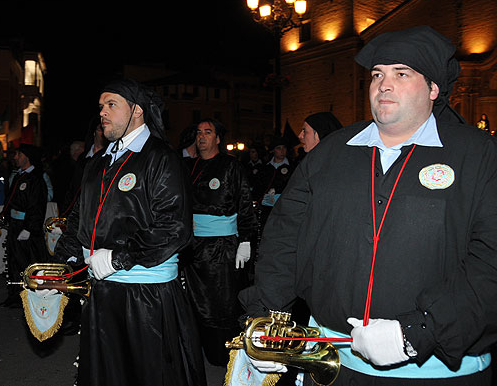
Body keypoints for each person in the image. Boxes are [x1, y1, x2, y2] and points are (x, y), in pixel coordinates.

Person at [239, 25, 497, 385]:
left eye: (401, 74)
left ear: (434, 89)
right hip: (331, 366)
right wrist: (268, 318)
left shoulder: (479, 155)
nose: (383, 85)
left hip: (433, 371)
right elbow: (286, 239)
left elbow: (489, 262)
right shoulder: (330, 152)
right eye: (377, 74)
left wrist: (417, 331)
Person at [52, 78, 206, 386]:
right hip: (102, 291)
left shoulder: (161, 157)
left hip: (146, 296)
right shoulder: (98, 162)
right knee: (107, 371)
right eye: (101, 107)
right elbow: (81, 218)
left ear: (137, 110)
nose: (103, 113)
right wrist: (61, 268)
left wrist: (119, 258)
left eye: (111, 105)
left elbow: (175, 227)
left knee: (148, 373)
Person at [183, 118, 257, 367]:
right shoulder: (190, 167)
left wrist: (245, 240)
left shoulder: (231, 167)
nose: (201, 136)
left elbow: (244, 203)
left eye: (207, 132)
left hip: (222, 246)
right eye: (198, 132)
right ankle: (200, 349)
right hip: (194, 247)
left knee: (222, 301)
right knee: (195, 300)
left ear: (217, 138)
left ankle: (225, 353)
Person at [0, 143, 49, 307]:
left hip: (26, 229)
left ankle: (32, 296)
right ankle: (16, 296)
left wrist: (29, 228)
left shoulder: (35, 178)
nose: (15, 157)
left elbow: (37, 206)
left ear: (27, 157)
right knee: (13, 262)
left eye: (18, 154)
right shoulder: (20, 176)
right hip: (15, 226)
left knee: (26, 262)